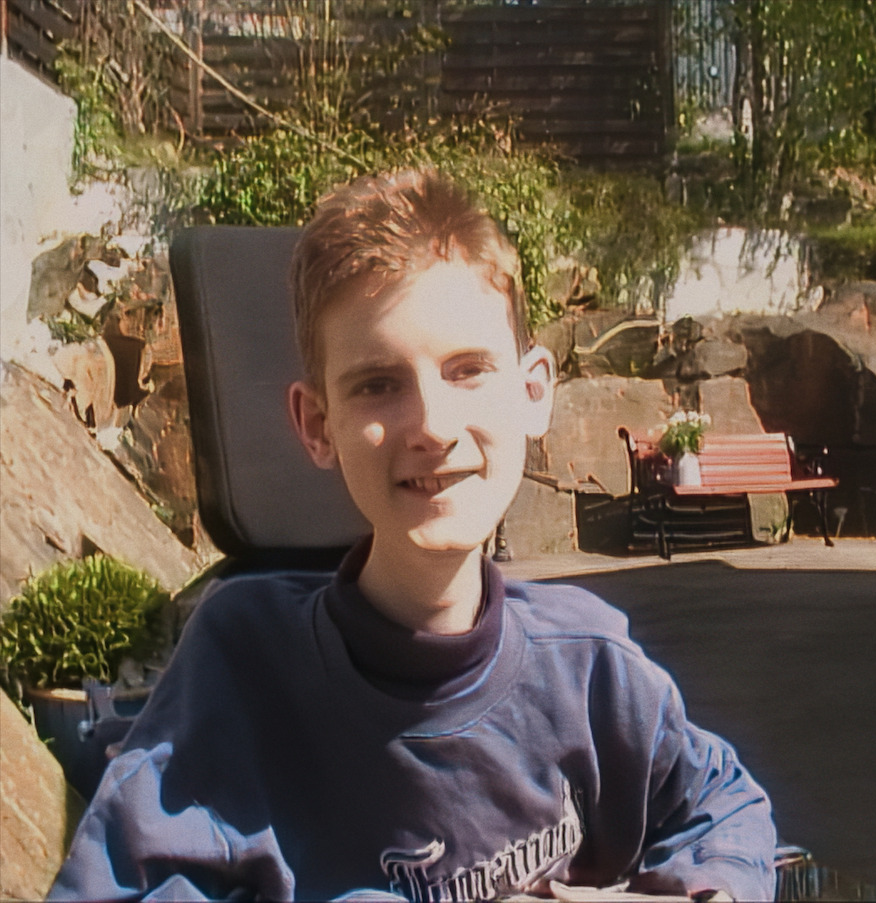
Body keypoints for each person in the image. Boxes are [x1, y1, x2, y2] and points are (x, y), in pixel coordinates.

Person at [48, 170, 777, 902]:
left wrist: (700, 892)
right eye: (376, 383)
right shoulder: (239, 673)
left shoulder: (591, 669)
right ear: (316, 424)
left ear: (532, 393)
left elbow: (727, 806)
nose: (431, 424)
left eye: (468, 370)